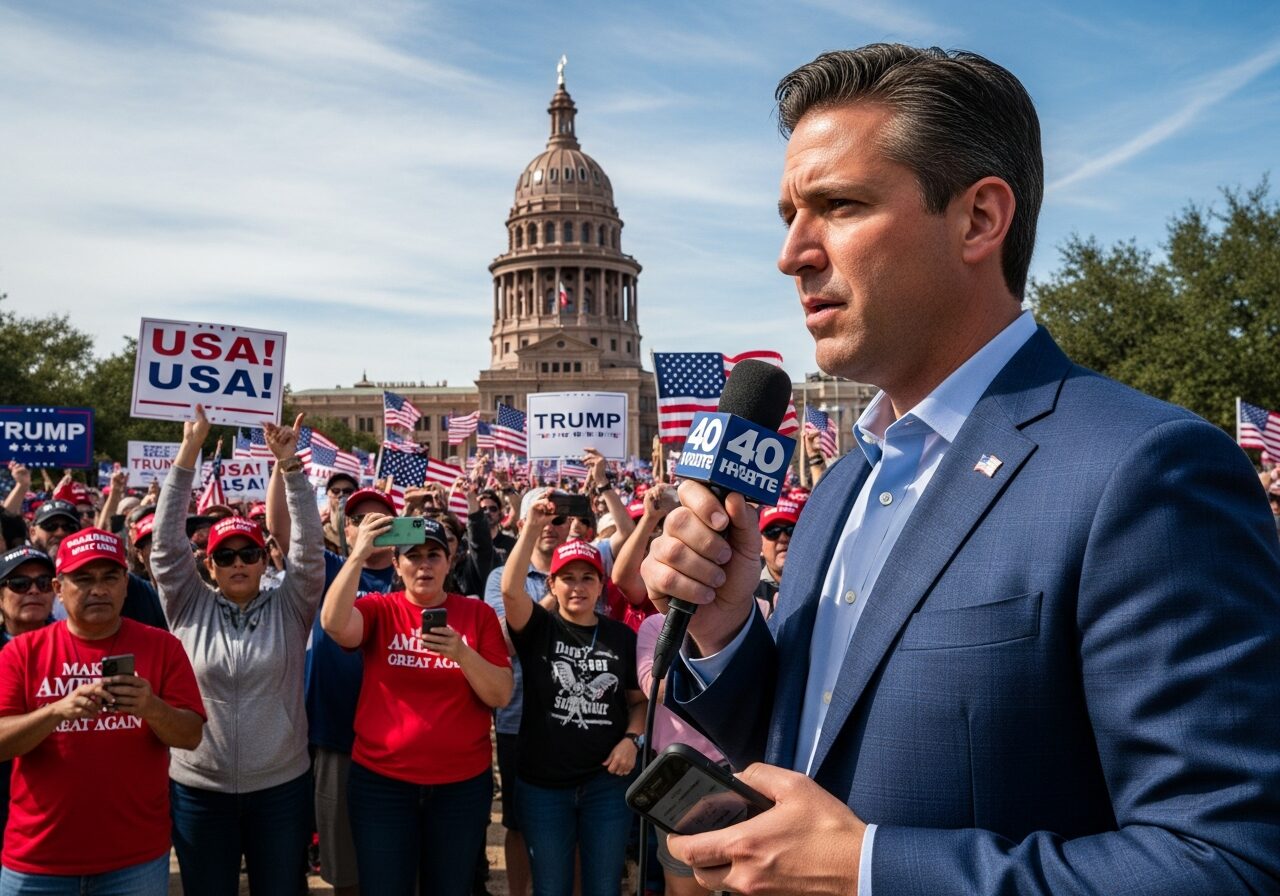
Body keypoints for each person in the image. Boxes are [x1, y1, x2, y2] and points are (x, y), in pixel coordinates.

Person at [643, 44, 1280, 895]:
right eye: (790, 215)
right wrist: (725, 633)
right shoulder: (840, 486)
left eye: (838, 205)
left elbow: (1228, 863)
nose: (793, 253)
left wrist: (867, 868)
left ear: (980, 219)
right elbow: (816, 740)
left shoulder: (1144, 471)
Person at [152, 406, 325, 895]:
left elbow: (309, 552)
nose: (238, 563)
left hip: (281, 789)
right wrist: (190, 451)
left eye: (249, 553)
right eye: (224, 556)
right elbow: (165, 547)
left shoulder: (291, 606)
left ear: (262, 558)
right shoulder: (187, 605)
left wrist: (290, 467)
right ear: (208, 566)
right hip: (198, 792)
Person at [0, 529, 204, 895]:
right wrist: (55, 713)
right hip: (38, 860)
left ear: (127, 584)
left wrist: (151, 708)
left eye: (110, 577)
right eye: (83, 578)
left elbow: (190, 736)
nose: (98, 589)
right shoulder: (21, 653)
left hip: (134, 861)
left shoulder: (163, 647)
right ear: (59, 589)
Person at [322, 514, 512, 896]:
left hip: (459, 788)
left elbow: (501, 694)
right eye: (413, 556)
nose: (424, 564)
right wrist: (358, 556)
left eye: (433, 555)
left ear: (449, 562)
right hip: (382, 786)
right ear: (396, 564)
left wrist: (461, 652)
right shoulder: (380, 609)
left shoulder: (478, 615)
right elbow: (333, 623)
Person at [500, 502, 645, 896]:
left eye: (587, 577)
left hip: (606, 785)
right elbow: (510, 591)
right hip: (543, 786)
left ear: (601, 585)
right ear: (552, 584)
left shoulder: (621, 637)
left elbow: (639, 702)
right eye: (567, 578)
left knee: (603, 886)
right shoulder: (538, 629)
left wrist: (632, 740)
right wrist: (530, 526)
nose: (577, 587)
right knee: (551, 887)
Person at [303, 486, 400, 896]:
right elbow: (283, 527)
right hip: (337, 737)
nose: (370, 526)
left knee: (398, 862)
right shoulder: (329, 568)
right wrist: (286, 465)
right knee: (346, 870)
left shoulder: (411, 575)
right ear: (345, 526)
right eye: (361, 519)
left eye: (381, 519)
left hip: (396, 744)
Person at [483, 487, 573, 896]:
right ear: (522, 523)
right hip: (519, 717)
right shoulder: (502, 578)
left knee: (571, 821)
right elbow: (502, 641)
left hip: (574, 719)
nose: (551, 526)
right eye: (541, 516)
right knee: (517, 823)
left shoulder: (583, 570)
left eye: (558, 518)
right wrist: (554, 599)